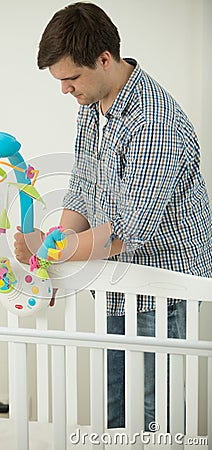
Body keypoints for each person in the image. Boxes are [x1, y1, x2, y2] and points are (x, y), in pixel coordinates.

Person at [14, 2, 212, 430]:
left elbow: (129, 229)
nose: (65, 90)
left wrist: (57, 252)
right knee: (116, 410)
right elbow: (84, 185)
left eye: (71, 78)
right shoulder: (93, 103)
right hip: (115, 283)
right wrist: (50, 243)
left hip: (163, 286)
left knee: (155, 413)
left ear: (105, 58)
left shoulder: (154, 121)